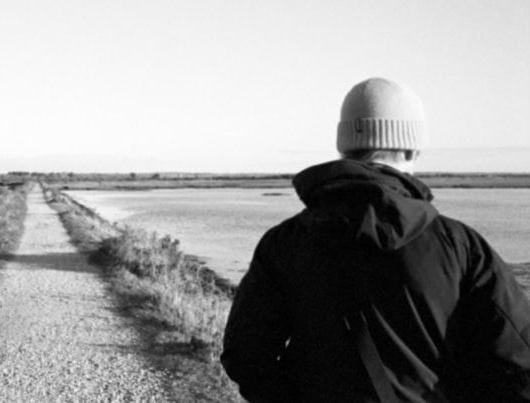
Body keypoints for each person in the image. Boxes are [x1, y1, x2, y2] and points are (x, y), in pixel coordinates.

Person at [220, 77, 530, 402]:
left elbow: (245, 354)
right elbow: (519, 364)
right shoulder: (461, 249)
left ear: (343, 146)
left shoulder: (283, 244)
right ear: (412, 147)